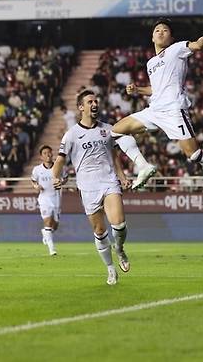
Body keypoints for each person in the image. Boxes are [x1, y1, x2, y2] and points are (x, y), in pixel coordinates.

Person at [110, 18, 203, 197]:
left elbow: (196, 45)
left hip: (174, 110)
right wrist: (138, 90)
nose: (161, 32)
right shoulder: (150, 63)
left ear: (171, 37)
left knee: (193, 154)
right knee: (116, 131)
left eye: (165, 30)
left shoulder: (177, 49)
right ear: (152, 38)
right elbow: (156, 89)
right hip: (154, 110)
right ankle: (144, 166)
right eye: (157, 30)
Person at [52, 90, 132, 285]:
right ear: (81, 107)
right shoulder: (71, 135)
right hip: (87, 186)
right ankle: (110, 269)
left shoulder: (108, 129)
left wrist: (121, 177)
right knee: (99, 231)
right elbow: (60, 160)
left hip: (108, 181)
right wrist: (55, 177)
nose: (94, 104)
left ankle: (119, 249)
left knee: (119, 225)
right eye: (90, 101)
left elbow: (114, 155)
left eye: (96, 100)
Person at [30, 144, 67, 256]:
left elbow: (65, 178)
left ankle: (45, 233)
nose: (48, 155)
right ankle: (52, 249)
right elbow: (33, 180)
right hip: (44, 198)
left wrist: (61, 182)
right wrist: (36, 186)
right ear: (41, 157)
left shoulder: (59, 167)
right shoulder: (37, 169)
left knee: (54, 225)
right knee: (48, 222)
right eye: (45, 153)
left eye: (49, 152)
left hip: (56, 198)